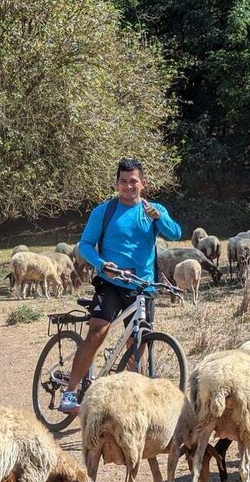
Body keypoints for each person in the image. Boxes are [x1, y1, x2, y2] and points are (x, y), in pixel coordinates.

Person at [58, 158, 182, 414]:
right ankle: (69, 391)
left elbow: (176, 234)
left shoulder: (153, 209)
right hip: (111, 283)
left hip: (143, 286)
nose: (128, 186)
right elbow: (85, 245)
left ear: (143, 183)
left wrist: (159, 218)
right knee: (97, 333)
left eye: (133, 181)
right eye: (123, 182)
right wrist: (102, 265)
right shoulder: (104, 211)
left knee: (139, 342)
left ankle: (136, 399)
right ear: (117, 184)